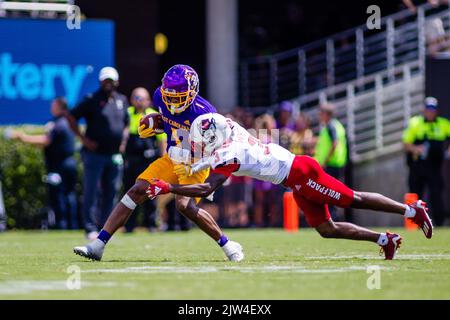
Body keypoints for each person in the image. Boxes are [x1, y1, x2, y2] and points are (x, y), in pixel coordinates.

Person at [147, 113, 434, 260]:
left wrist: (169, 188)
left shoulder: (229, 153)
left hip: (301, 172)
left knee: (352, 199)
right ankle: (386, 241)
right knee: (326, 229)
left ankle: (412, 210)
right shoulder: (228, 128)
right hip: (292, 179)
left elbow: (204, 190)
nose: (200, 143)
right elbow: (213, 146)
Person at [73, 65, 244, 262]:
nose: (171, 101)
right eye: (168, 95)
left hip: (195, 162)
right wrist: (157, 125)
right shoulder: (159, 96)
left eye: (177, 96)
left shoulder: (206, 113)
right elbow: (169, 121)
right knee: (137, 190)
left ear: (192, 92)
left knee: (184, 206)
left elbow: (212, 146)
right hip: (171, 158)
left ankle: (227, 245)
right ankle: (98, 246)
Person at [65, 67, 129, 239]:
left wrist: (123, 141)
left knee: (111, 191)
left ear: (117, 82)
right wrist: (83, 139)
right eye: (105, 80)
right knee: (92, 191)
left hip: (114, 155)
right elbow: (71, 117)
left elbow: (126, 124)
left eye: (111, 80)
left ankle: (106, 228)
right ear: (101, 81)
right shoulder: (91, 99)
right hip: (95, 154)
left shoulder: (122, 100)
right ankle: (90, 227)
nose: (108, 83)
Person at [10, 97, 78, 229]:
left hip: (59, 166)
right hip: (70, 163)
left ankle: (62, 226)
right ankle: (72, 226)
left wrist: (22, 137)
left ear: (60, 107)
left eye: (53, 105)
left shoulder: (58, 124)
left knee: (59, 197)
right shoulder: (70, 122)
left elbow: (45, 140)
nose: (51, 108)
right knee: (69, 196)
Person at [123, 87, 166, 232]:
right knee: (130, 191)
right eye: (135, 97)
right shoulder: (127, 113)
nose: (138, 101)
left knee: (150, 192)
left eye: (141, 98)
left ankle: (151, 224)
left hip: (148, 161)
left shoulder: (154, 116)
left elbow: (161, 140)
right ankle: (129, 225)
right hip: (131, 160)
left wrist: (163, 159)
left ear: (148, 100)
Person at [403, 97, 450, 226]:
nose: (430, 112)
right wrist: (416, 148)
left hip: (435, 166)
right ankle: (412, 225)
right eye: (428, 109)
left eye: (433, 109)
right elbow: (406, 143)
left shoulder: (444, 123)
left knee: (436, 194)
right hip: (417, 166)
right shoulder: (414, 123)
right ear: (424, 110)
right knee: (414, 194)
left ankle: (439, 224)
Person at [314, 103, 348, 220]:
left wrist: (325, 161)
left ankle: (333, 217)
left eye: (321, 113)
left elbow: (334, 143)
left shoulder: (330, 126)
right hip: (337, 163)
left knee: (329, 192)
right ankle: (335, 216)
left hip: (331, 164)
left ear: (326, 114)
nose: (319, 116)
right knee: (334, 191)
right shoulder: (338, 125)